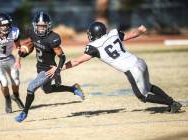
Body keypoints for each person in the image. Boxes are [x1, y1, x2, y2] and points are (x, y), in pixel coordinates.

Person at [48, 21, 182, 113]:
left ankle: (171, 103)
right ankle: (171, 102)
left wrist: (59, 68)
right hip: (139, 62)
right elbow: (132, 35)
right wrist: (140, 31)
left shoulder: (94, 47)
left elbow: (77, 61)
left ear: (94, 33)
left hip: (131, 69)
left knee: (142, 95)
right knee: (149, 86)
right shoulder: (113, 33)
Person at [15, 11, 85, 122]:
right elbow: (32, 43)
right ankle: (73, 88)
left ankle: (24, 112)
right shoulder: (32, 32)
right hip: (39, 66)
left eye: (43, 26)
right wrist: (25, 51)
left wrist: (57, 71)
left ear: (48, 26)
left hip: (49, 68)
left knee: (31, 87)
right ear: (35, 26)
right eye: (39, 26)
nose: (41, 29)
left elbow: (62, 57)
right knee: (47, 90)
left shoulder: (53, 38)